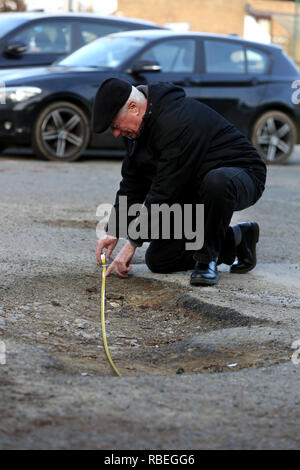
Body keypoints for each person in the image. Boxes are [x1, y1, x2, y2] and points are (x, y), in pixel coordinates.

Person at [92, 77, 266, 286]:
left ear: (133, 107)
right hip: (194, 185)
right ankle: (237, 239)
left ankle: (207, 260)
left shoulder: (175, 120)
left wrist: (132, 244)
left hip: (242, 174)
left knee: (217, 182)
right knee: (160, 259)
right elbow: (132, 182)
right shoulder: (135, 133)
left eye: (116, 125)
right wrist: (114, 231)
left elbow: (165, 190)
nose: (116, 133)